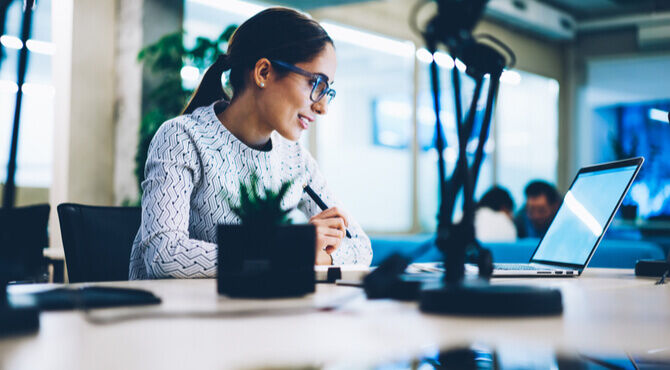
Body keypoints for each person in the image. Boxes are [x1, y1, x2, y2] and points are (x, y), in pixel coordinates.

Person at [129, 8, 372, 279]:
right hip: (173, 316)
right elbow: (165, 255)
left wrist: (308, 253)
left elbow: (361, 247)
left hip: (252, 313)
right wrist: (290, 247)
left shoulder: (294, 159)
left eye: (328, 91)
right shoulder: (181, 138)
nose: (322, 106)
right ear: (264, 72)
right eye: (315, 83)